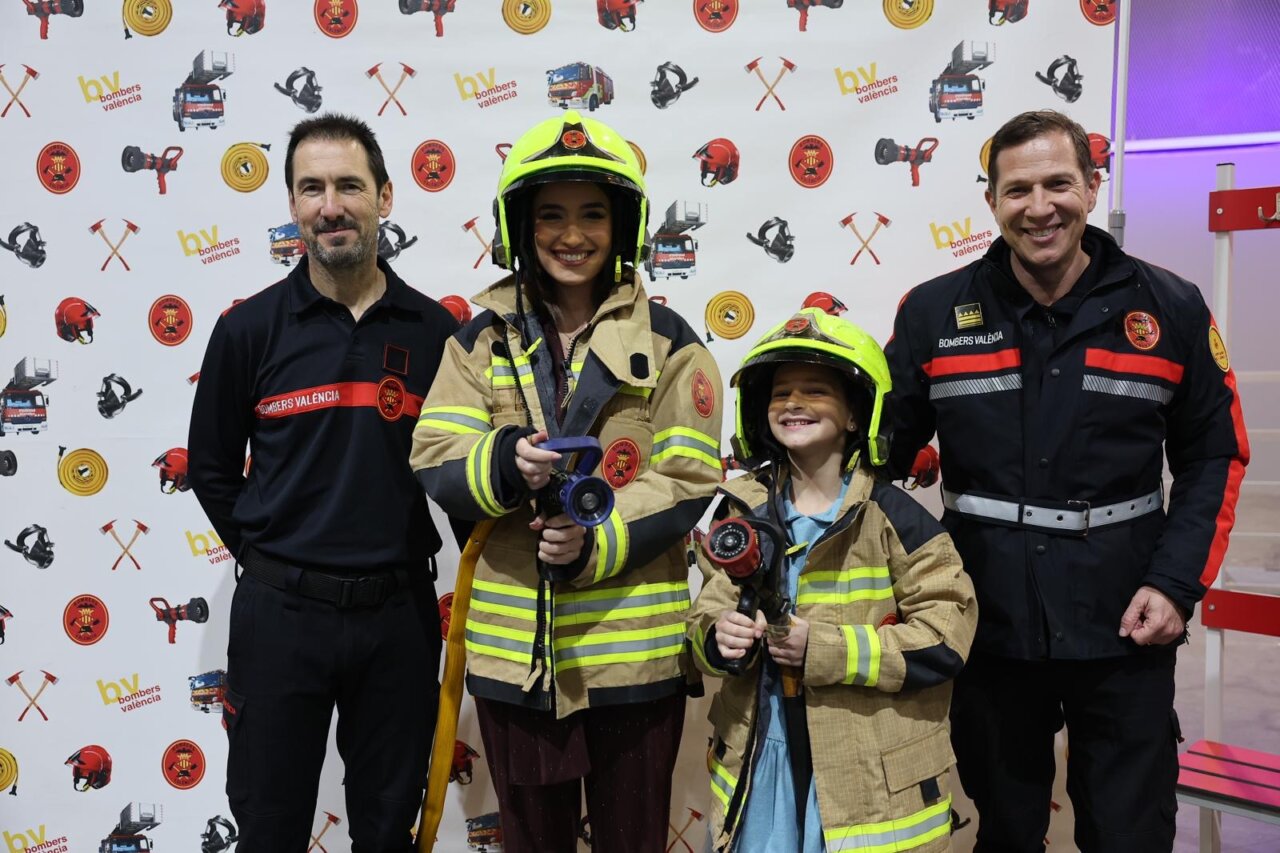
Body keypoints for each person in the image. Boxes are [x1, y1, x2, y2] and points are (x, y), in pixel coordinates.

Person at [885, 109, 1250, 852]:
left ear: (1092, 183)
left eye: (1059, 183)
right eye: (1018, 189)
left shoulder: (1170, 308)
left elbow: (1217, 453)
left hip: (1128, 622)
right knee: (1008, 829)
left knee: (1128, 832)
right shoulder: (932, 314)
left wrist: (1177, 583)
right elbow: (878, 455)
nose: (1040, 206)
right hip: (985, 623)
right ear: (991, 201)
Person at [409, 111, 724, 853]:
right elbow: (434, 448)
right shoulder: (479, 337)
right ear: (520, 226)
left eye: (592, 214)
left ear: (624, 225)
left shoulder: (672, 343)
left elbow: (686, 475)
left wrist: (595, 542)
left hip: (633, 658)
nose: (571, 234)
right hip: (516, 664)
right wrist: (502, 459)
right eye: (550, 215)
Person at [187, 113, 462, 852]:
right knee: (270, 829)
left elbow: (468, 471)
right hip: (280, 618)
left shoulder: (437, 332)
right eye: (312, 188)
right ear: (292, 204)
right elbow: (210, 468)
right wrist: (272, 550)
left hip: (398, 618)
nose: (330, 205)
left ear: (386, 197)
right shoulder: (248, 330)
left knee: (386, 831)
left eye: (348, 185)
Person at [688, 307, 977, 853]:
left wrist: (825, 651)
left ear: (854, 414)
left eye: (816, 390)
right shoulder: (741, 507)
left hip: (865, 778)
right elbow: (708, 608)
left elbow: (947, 636)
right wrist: (718, 638)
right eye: (780, 393)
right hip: (762, 756)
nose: (793, 402)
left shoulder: (895, 517)